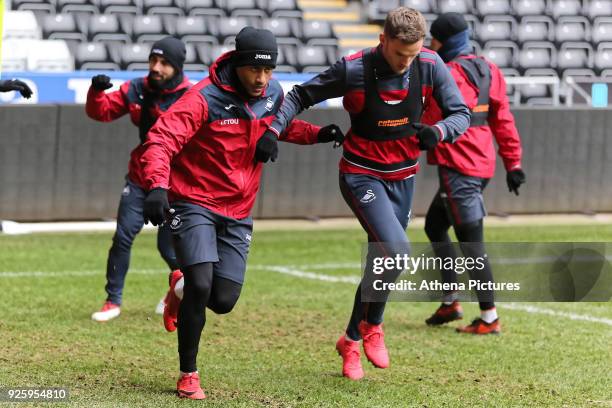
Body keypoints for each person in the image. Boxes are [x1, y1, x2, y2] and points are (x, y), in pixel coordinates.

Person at [256, 7, 471, 380]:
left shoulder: (432, 64)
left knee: (381, 261)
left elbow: (461, 114)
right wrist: (272, 131)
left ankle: (351, 340)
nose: (407, 62)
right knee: (398, 250)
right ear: (382, 40)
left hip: (403, 177)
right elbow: (299, 97)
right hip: (361, 174)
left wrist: (438, 132)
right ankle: (374, 326)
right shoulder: (353, 68)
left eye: (413, 54)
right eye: (400, 53)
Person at [140, 27, 344, 399]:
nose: (262, 79)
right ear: (238, 64)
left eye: (269, 72)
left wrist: (316, 134)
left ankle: (177, 289)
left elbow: (279, 125)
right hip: (194, 201)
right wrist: (156, 185)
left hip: (239, 209)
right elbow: (161, 139)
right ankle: (189, 374)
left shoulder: (272, 94)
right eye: (255, 70)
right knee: (201, 283)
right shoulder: (203, 98)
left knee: (223, 300)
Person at [422, 12, 525, 334]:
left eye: (434, 41)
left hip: (460, 167)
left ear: (444, 41)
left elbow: (432, 117)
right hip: (482, 163)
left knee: (471, 242)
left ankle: (489, 317)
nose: (431, 46)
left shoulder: (448, 73)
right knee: (435, 225)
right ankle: (451, 300)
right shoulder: (488, 68)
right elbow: (503, 118)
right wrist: (514, 164)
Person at [85, 37, 191, 322]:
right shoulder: (136, 87)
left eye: (164, 63)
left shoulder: (192, 97)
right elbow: (102, 111)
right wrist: (96, 91)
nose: (156, 67)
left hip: (175, 185)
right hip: (140, 178)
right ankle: (112, 302)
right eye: (153, 60)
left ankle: (177, 292)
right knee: (122, 237)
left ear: (178, 67)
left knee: (169, 247)